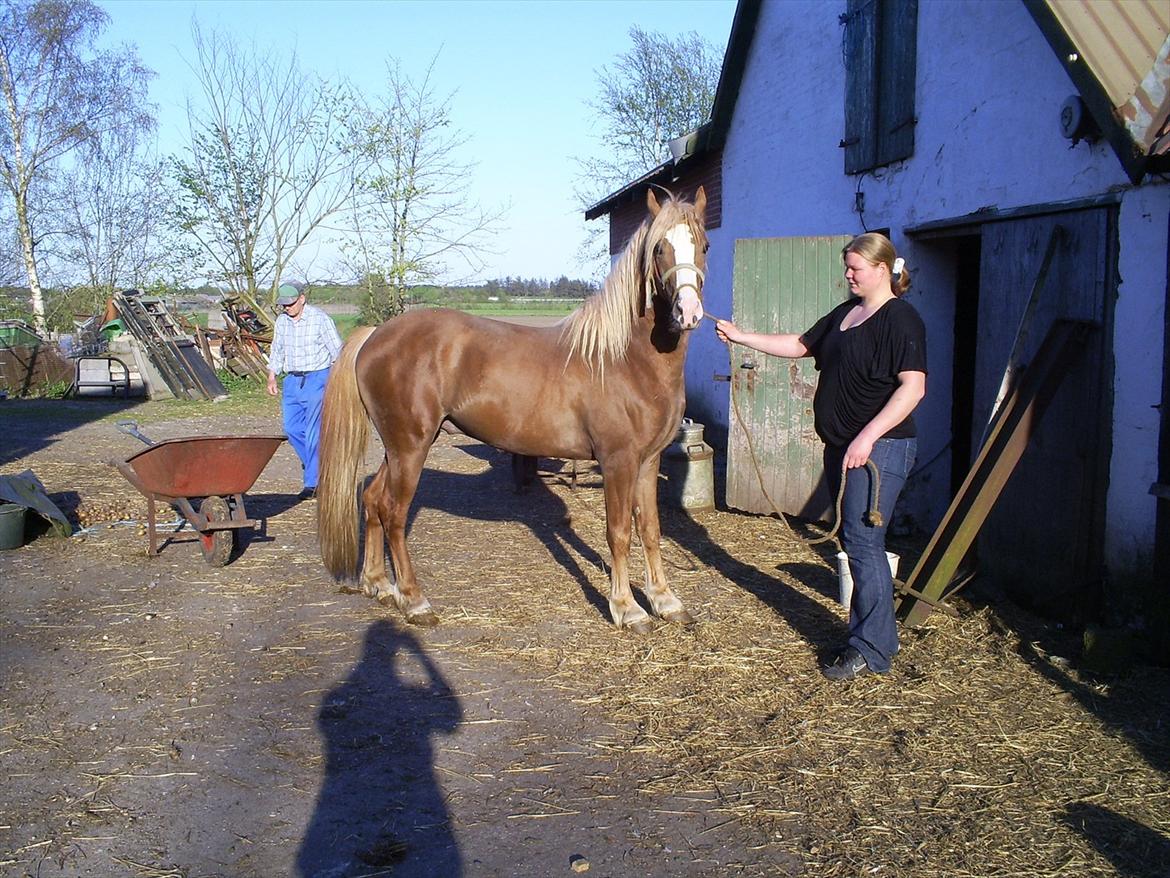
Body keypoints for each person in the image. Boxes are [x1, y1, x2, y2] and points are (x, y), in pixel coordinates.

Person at [716, 232, 926, 681]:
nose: (848, 274)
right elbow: (800, 344)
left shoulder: (900, 319)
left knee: (863, 544)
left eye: (857, 268)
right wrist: (741, 336)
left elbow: (914, 387)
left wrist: (867, 437)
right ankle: (872, 638)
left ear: (884, 269)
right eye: (847, 267)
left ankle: (872, 650)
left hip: (878, 450)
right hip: (843, 448)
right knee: (854, 544)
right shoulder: (847, 314)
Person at [266, 281, 343, 500]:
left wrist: (336, 380)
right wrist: (272, 375)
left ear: (302, 299)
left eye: (290, 304)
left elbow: (337, 350)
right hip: (292, 380)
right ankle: (316, 464)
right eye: (283, 305)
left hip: (317, 378)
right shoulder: (282, 322)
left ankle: (313, 484)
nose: (286, 308)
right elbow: (277, 349)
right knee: (292, 430)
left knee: (313, 432)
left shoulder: (320, 319)